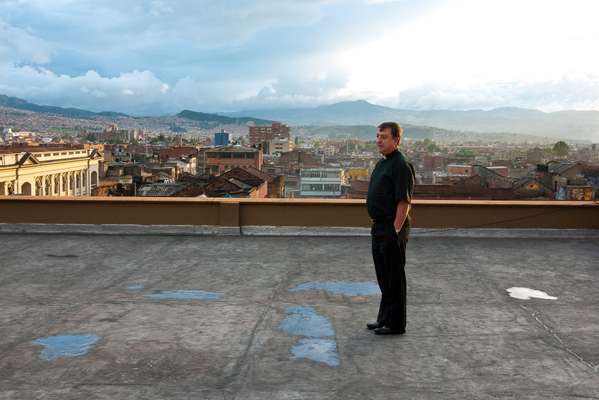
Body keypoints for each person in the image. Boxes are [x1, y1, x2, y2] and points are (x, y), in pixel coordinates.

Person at [366, 122, 415, 335]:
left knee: (394, 277)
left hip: (391, 229)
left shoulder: (401, 165)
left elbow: (403, 201)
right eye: (377, 136)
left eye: (384, 136)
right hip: (378, 227)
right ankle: (384, 319)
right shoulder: (382, 163)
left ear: (396, 140)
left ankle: (396, 324)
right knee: (383, 276)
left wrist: (395, 230)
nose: (379, 140)